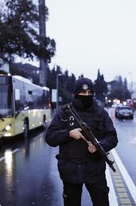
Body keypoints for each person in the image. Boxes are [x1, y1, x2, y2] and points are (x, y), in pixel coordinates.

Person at [45, 77, 118, 206]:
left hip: (95, 170)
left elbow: (112, 138)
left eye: (89, 92)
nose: (86, 95)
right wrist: (68, 134)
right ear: (76, 93)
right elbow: (50, 137)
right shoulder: (64, 113)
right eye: (83, 92)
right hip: (71, 171)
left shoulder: (101, 113)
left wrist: (99, 146)